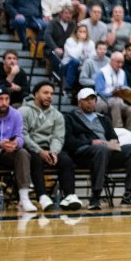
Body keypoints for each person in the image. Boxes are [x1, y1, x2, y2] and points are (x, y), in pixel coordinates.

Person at [64, 87, 131, 210]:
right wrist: (92, 142)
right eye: (87, 99)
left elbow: (114, 138)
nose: (91, 102)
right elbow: (69, 141)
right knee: (101, 148)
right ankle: (95, 196)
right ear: (79, 102)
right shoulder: (70, 118)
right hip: (84, 154)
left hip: (106, 152)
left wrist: (113, 144)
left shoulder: (104, 119)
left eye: (93, 99)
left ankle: (129, 194)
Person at [20, 81, 83, 211]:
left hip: (50, 149)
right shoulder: (23, 111)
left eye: (51, 93)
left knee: (66, 160)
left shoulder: (57, 115)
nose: (49, 96)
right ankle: (42, 196)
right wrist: (39, 151)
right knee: (35, 159)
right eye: (45, 93)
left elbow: (58, 137)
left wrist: (54, 152)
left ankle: (69, 196)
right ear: (36, 94)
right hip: (31, 148)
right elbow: (23, 135)